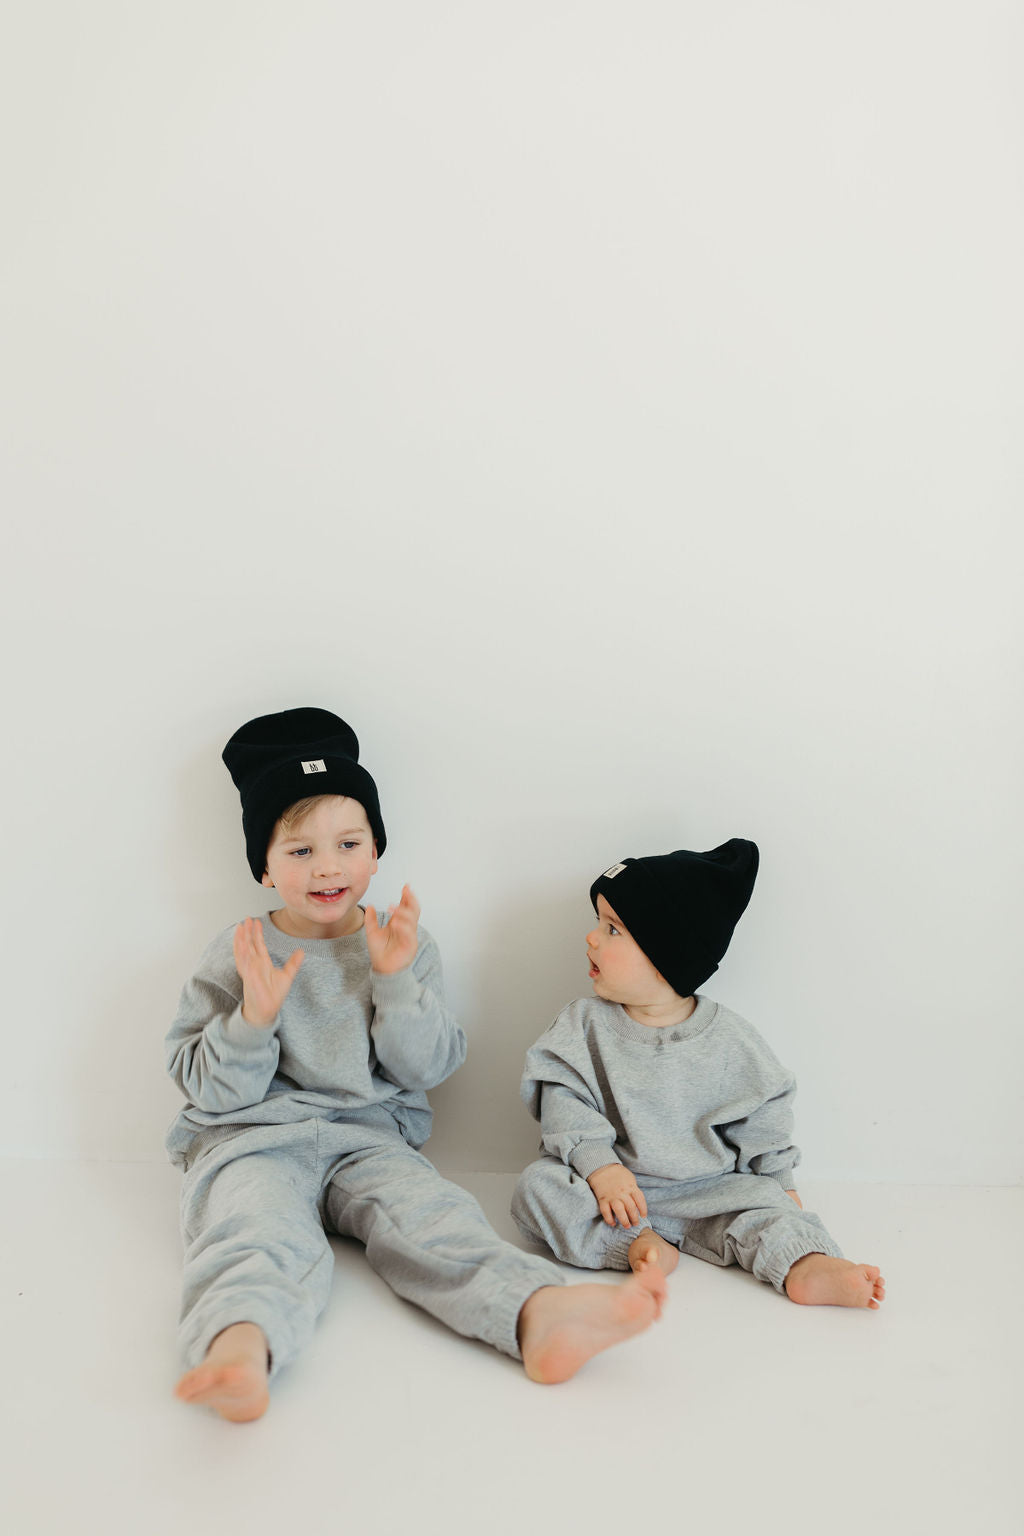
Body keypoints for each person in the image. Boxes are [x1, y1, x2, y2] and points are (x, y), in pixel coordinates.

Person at [166, 707, 665, 1421]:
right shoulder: (238, 951)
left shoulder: (401, 943)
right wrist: (251, 1021)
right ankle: (240, 1346)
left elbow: (427, 1067)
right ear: (264, 864)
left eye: (348, 842)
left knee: (434, 1217)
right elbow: (204, 1089)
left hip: (370, 1140)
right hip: (253, 1140)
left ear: (375, 851)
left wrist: (395, 983)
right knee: (252, 1228)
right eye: (299, 850)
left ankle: (537, 1313)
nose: (328, 865)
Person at [512, 841, 885, 1309]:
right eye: (597, 924)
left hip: (712, 1191)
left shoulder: (732, 1040)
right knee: (538, 1189)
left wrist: (781, 1182)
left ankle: (805, 1266)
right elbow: (561, 1096)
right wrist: (599, 1167)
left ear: (667, 956)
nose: (591, 938)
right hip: (616, 1191)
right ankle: (639, 1247)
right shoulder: (583, 1025)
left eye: (612, 930)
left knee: (768, 1210)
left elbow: (765, 1116)